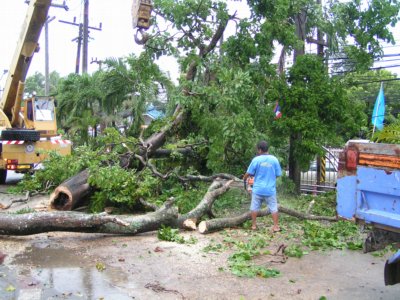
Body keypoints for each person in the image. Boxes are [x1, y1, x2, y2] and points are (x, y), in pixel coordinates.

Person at [243, 140, 282, 232]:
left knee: (254, 207)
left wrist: (244, 179)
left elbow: (248, 173)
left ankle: (254, 226)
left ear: (260, 150)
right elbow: (278, 174)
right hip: (270, 190)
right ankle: (276, 226)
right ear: (267, 149)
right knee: (273, 208)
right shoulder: (274, 159)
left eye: (257, 150)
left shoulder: (256, 160)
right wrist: (271, 178)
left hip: (258, 189)